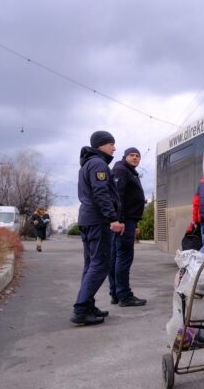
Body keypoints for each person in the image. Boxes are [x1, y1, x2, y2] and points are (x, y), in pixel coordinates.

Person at [71, 130, 124, 326]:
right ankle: (81, 309)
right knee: (100, 264)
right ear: (100, 145)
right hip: (97, 220)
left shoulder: (87, 164)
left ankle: (88, 304)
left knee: (91, 264)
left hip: (87, 220)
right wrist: (112, 218)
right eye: (111, 144)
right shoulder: (98, 164)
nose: (114, 148)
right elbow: (100, 191)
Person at [108, 147, 147, 307]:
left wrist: (134, 223)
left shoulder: (128, 171)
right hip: (123, 221)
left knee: (117, 257)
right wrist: (121, 220)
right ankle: (124, 295)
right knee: (123, 256)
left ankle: (116, 294)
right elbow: (118, 197)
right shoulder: (121, 170)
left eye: (138, 156)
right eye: (132, 155)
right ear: (125, 157)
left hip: (128, 220)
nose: (135, 157)